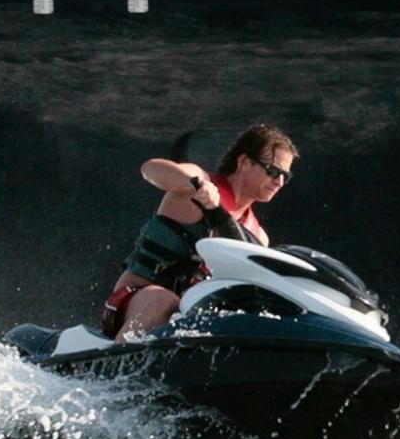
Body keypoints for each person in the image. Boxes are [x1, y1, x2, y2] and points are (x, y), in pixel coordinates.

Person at [101, 123, 297, 339]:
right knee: (165, 301)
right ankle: (117, 357)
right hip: (134, 301)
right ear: (244, 162)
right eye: (273, 171)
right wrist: (195, 185)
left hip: (188, 319)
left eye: (285, 176)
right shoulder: (197, 183)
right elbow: (150, 168)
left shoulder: (258, 237)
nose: (279, 182)